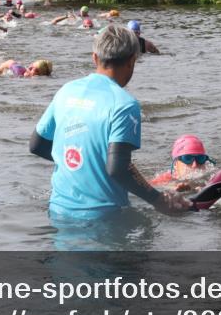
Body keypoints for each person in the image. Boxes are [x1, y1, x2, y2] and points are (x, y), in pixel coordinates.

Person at [30, 24, 191, 219]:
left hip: (58, 211)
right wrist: (159, 200)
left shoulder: (66, 90)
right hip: (104, 218)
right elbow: (118, 167)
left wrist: (81, 164)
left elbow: (37, 145)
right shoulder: (124, 104)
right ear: (132, 61)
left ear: (95, 57)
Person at [149, 135, 215, 190]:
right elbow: (145, 187)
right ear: (175, 164)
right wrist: (171, 187)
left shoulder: (213, 177)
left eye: (200, 158)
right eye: (188, 158)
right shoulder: (166, 179)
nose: (194, 165)